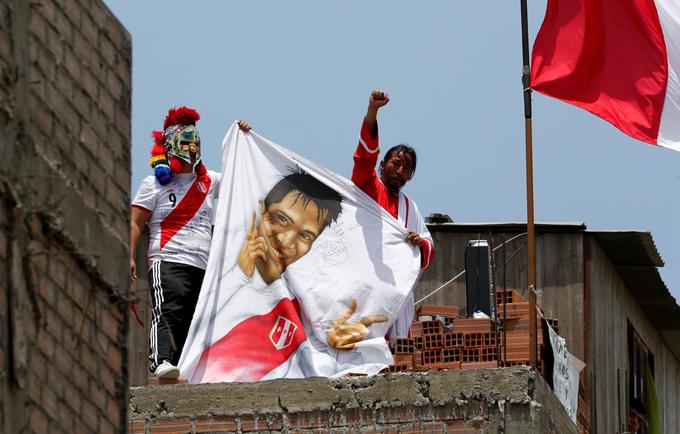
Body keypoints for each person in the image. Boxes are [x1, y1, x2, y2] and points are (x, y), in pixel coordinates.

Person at [183, 171, 387, 382]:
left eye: (305, 235)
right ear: (261, 208)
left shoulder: (302, 298)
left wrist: (337, 347)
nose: (287, 240)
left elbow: (312, 360)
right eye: (281, 219)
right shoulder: (218, 275)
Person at [129, 106, 251, 379]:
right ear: (171, 145)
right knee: (168, 311)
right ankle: (160, 361)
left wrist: (243, 138)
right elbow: (135, 222)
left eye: (195, 143)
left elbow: (241, 175)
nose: (192, 148)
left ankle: (186, 369)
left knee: (196, 320)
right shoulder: (153, 185)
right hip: (168, 258)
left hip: (203, 265)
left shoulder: (210, 181)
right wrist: (129, 255)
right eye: (186, 143)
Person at [352, 90, 435, 341]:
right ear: (382, 165)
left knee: (395, 353)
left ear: (410, 176)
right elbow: (364, 157)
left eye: (407, 168)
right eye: (395, 163)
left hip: (396, 293)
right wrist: (372, 112)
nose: (400, 170)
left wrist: (418, 244)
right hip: (364, 282)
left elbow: (428, 245)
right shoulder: (367, 186)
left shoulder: (411, 208)